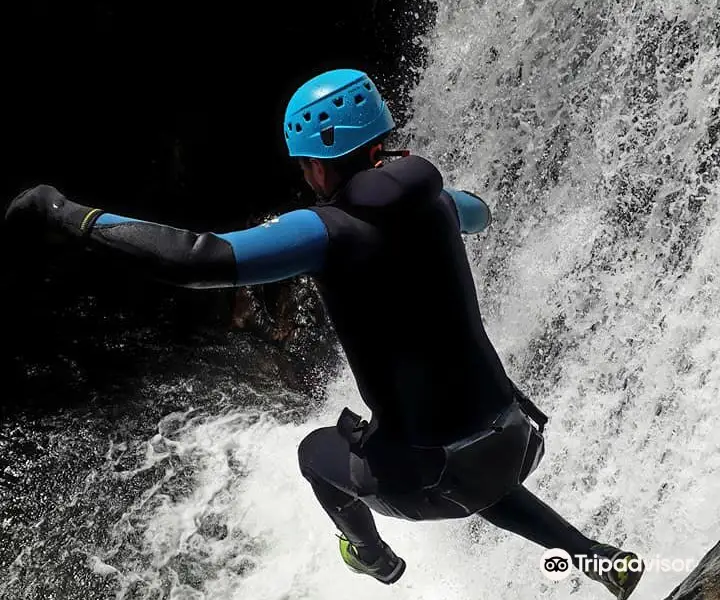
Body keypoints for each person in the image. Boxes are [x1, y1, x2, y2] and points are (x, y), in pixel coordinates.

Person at [4, 68, 643, 598]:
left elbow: (198, 258)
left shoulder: (326, 231)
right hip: (516, 435)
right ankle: (596, 556)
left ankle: (376, 561)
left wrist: (65, 213)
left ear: (317, 165)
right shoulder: (441, 202)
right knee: (466, 469)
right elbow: (479, 211)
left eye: (306, 166)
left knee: (318, 456)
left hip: (439, 471)